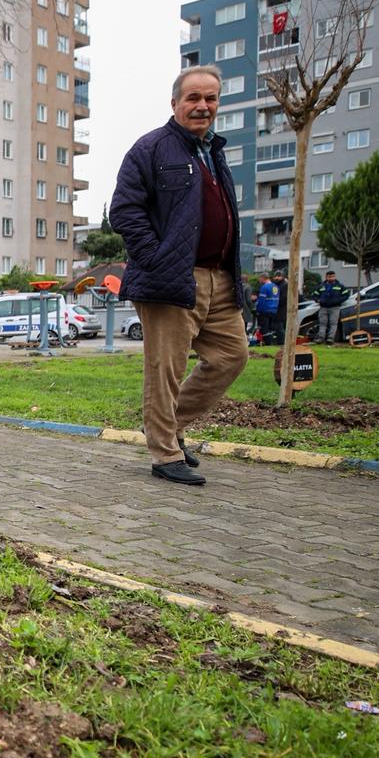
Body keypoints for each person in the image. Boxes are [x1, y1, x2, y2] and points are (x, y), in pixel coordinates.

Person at [109, 63, 248, 487]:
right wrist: (156, 256)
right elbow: (124, 210)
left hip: (218, 277)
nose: (202, 106)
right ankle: (164, 452)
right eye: (193, 98)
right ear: (175, 103)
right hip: (170, 278)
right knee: (164, 368)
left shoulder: (213, 152)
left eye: (211, 98)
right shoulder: (151, 149)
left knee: (232, 355)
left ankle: (171, 427)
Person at [314, 270, 349, 344]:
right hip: (323, 307)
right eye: (330, 277)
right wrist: (318, 300)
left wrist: (338, 300)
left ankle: (330, 338)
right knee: (322, 323)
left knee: (333, 324)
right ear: (326, 277)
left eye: (333, 276)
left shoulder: (340, 286)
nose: (331, 278)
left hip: (335, 308)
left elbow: (346, 295)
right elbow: (315, 295)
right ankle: (320, 338)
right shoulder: (321, 286)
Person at [256, 273, 283, 346]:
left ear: (262, 278)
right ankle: (271, 342)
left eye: (259, 279)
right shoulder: (276, 287)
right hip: (274, 310)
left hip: (265, 310)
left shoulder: (264, 287)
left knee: (264, 328)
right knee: (271, 328)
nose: (259, 281)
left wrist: (258, 310)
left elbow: (261, 301)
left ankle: (268, 343)